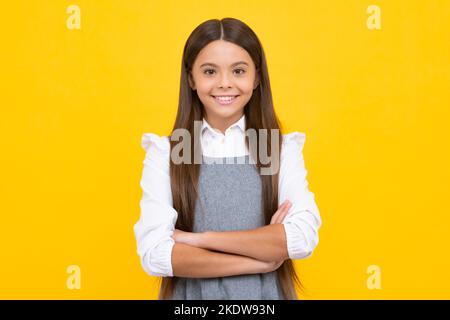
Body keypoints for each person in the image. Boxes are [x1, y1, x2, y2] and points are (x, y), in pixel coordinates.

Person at [133, 17, 322, 300]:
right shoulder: (165, 153)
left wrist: (198, 239)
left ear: (256, 77)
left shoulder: (280, 148)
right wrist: (260, 257)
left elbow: (301, 238)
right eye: (210, 71)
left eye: (238, 71)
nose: (224, 83)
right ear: (191, 78)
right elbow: (156, 254)